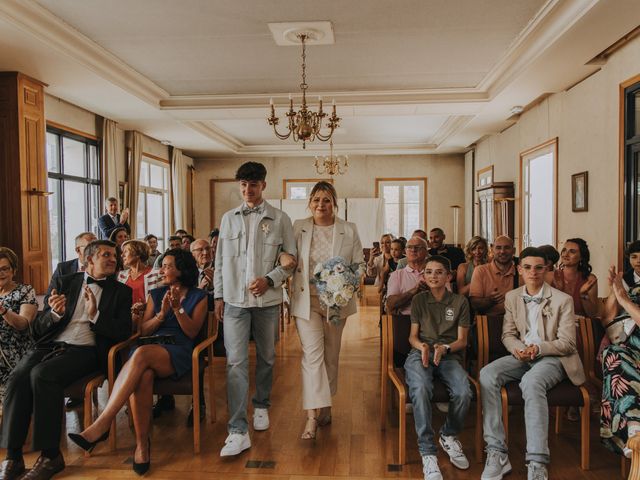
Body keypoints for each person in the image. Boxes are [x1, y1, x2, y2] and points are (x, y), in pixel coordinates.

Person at [68, 248, 207, 476]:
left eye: (168, 266)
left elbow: (192, 332)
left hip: (178, 351)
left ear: (182, 270)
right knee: (143, 375)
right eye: (162, 265)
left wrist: (177, 309)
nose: (162, 270)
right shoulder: (156, 293)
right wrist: (161, 315)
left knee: (140, 354)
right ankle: (142, 446)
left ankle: (102, 424)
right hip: (151, 346)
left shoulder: (198, 296)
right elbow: (143, 330)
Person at [0, 240, 132, 480]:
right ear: (89, 259)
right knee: (18, 376)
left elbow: (123, 332)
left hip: (86, 351)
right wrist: (54, 313)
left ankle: (51, 456)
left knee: (42, 375)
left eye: (114, 255)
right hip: (51, 345)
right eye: (106, 254)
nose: (113, 259)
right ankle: (13, 456)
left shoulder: (121, 292)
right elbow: (38, 329)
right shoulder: (65, 282)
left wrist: (96, 315)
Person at [479, 247, 585, 480]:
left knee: (531, 381)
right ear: (520, 269)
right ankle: (497, 452)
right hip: (521, 355)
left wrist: (538, 349)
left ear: (546, 269)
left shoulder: (562, 300)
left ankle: (537, 460)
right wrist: (519, 350)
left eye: (539, 267)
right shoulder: (512, 296)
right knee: (487, 374)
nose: (533, 272)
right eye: (527, 267)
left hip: (553, 358)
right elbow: (508, 334)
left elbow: (567, 343)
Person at [214, 161, 296, 457]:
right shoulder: (228, 219)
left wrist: (269, 280)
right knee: (235, 363)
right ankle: (237, 430)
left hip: (267, 303)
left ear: (263, 185)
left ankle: (261, 404)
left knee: (267, 357)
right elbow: (220, 261)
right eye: (243, 185)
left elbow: (291, 260)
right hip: (234, 303)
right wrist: (218, 296)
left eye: (253, 184)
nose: (248, 190)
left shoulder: (280, 218)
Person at [290, 181, 363, 440]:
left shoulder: (348, 229)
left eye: (326, 200)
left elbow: (359, 265)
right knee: (312, 357)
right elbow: (286, 256)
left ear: (335, 203)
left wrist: (346, 283)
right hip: (305, 301)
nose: (321, 205)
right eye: (316, 200)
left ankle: (326, 403)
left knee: (331, 356)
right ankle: (311, 417)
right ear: (309, 203)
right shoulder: (298, 227)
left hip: (335, 304)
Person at [405, 256, 472, 480]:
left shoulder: (460, 302)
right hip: (420, 354)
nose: (433, 276)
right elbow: (412, 337)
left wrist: (444, 348)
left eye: (439, 272)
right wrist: (422, 346)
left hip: (448, 355)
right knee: (421, 389)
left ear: (448, 276)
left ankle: (449, 435)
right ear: (423, 275)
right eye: (429, 272)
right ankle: (427, 452)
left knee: (463, 392)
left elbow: (462, 341)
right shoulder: (419, 300)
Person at [600, 240, 640, 457]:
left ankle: (630, 429)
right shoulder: (624, 282)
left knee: (618, 357)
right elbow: (607, 320)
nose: (639, 261)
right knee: (613, 354)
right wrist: (615, 291)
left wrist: (625, 300)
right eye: (634, 257)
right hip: (626, 341)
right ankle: (633, 428)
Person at [0, 248, 38, 404]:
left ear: (13, 270)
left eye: (5, 269)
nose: (0, 273)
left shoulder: (25, 290)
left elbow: (23, 324)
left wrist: (3, 310)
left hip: (15, 353)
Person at [469, 235, 517, 316]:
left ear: (514, 250)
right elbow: (474, 304)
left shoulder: (521, 272)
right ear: (492, 249)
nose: (502, 251)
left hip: (516, 322)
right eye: (498, 248)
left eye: (507, 248)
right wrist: (490, 300)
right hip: (488, 322)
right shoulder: (481, 271)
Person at [117, 240, 159, 329]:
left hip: (147, 320)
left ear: (138, 254)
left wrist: (144, 306)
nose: (122, 255)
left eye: (126, 252)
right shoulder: (121, 275)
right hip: (125, 320)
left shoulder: (155, 274)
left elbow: (159, 302)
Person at [553, 238, 599, 318]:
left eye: (572, 251)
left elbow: (592, 314)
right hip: (557, 324)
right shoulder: (552, 276)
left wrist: (583, 295)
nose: (566, 254)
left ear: (581, 257)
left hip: (580, 326)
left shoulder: (589, 279)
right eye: (564, 250)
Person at [386, 236, 430, 315]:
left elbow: (448, 301)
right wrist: (413, 291)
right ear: (405, 251)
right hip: (407, 320)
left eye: (418, 247)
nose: (413, 250)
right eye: (409, 247)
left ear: (426, 252)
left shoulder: (437, 272)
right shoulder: (397, 275)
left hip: (434, 321)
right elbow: (390, 304)